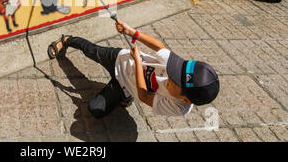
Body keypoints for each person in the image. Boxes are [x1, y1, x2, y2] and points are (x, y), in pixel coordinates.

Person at [47, 20, 219, 118]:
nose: (171, 73)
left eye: (174, 80)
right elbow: (159, 47)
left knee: (95, 110)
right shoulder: (179, 68)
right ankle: (68, 39)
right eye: (176, 69)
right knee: (91, 50)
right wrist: (132, 32)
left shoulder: (179, 108)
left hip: (126, 84)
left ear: (186, 100)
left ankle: (124, 97)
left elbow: (144, 96)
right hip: (120, 59)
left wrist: (138, 62)